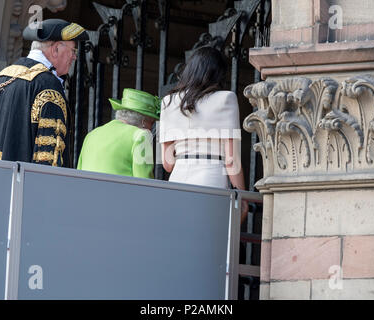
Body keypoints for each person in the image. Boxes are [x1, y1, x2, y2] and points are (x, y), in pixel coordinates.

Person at [0, 19, 89, 167]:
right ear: (56, 49)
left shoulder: (3, 76)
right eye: (73, 50)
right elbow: (49, 160)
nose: (74, 57)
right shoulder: (48, 85)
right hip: (23, 186)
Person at [159, 46, 248, 222]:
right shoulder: (226, 98)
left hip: (177, 180)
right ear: (218, 74)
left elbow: (167, 164)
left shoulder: (168, 102)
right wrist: (241, 196)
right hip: (212, 178)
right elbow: (231, 160)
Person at [77, 88, 160, 179]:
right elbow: (145, 182)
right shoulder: (141, 135)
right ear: (144, 122)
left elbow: (79, 175)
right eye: (152, 123)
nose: (151, 128)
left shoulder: (91, 135)